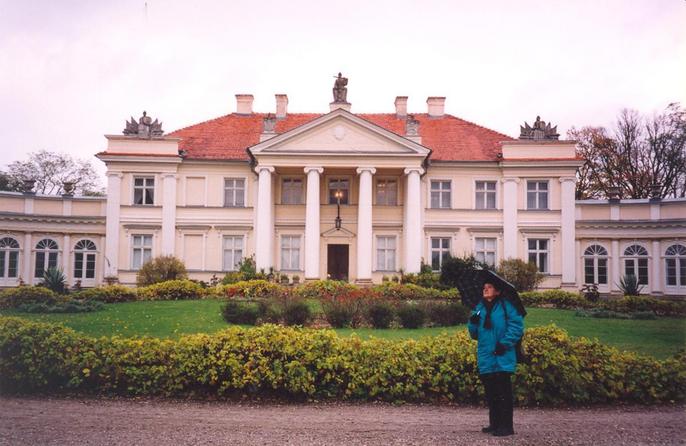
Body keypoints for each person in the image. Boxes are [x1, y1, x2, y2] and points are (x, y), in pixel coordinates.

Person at [467, 280, 524, 437]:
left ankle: (507, 426)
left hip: (502, 354)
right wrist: (472, 323)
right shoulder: (479, 308)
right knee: (491, 392)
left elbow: (517, 327)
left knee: (503, 392)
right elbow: (474, 334)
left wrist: (504, 343)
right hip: (486, 355)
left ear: (498, 291)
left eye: (489, 287)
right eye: (484, 287)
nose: (485, 289)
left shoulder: (507, 306)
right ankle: (495, 423)